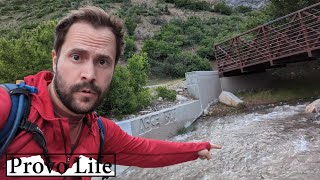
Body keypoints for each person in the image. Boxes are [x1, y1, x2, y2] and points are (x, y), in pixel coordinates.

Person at [0, 6, 221, 179]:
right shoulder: (9, 111)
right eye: (76, 57)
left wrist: (196, 148)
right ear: (55, 61)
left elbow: (147, 152)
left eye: (103, 61)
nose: (90, 74)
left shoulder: (100, 132)